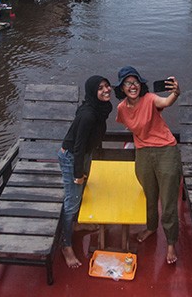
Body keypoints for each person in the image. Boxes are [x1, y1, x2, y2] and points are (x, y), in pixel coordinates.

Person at [114, 66, 181, 264]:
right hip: (143, 153)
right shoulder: (121, 109)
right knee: (149, 196)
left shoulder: (150, 99)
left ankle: (171, 243)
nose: (132, 86)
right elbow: (129, 125)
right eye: (127, 83)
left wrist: (175, 93)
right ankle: (151, 227)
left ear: (140, 84)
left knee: (168, 201)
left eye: (135, 82)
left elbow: (166, 102)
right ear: (122, 88)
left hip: (165, 150)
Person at [58, 75, 113, 268]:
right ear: (92, 92)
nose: (106, 90)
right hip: (72, 157)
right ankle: (65, 245)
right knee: (71, 201)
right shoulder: (89, 115)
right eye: (100, 88)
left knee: (80, 193)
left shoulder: (101, 107)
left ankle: (76, 224)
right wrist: (77, 174)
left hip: (84, 154)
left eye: (107, 86)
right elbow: (79, 146)